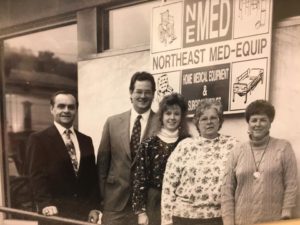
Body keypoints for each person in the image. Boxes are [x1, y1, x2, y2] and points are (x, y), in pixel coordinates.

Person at [161, 98, 238, 225]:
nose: (209, 122)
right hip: (184, 218)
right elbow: (169, 185)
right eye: (204, 119)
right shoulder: (185, 146)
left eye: (213, 118)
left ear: (220, 121)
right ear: (197, 122)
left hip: (219, 217)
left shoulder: (233, 145)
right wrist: (167, 220)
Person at [25, 90, 99, 221]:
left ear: (76, 110)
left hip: (82, 215)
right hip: (54, 214)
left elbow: (92, 177)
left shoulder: (86, 140)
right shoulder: (38, 139)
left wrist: (94, 207)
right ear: (52, 109)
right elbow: (36, 176)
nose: (66, 110)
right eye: (61, 106)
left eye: (71, 107)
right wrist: (45, 204)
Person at [221, 99, 298, 225]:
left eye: (263, 120)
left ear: (270, 123)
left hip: (274, 220)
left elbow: (291, 183)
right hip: (242, 221)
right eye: (254, 120)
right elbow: (227, 190)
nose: (258, 124)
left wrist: (286, 213)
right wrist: (228, 222)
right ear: (248, 123)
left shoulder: (283, 147)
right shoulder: (237, 151)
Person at [97, 71, 159, 225]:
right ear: (131, 93)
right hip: (114, 203)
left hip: (147, 206)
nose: (143, 96)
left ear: (153, 94)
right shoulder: (112, 123)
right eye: (138, 91)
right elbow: (102, 164)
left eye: (147, 92)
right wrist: (103, 197)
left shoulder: (161, 124)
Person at [132, 93, 189, 225]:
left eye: (176, 113)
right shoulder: (148, 144)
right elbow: (139, 179)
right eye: (168, 113)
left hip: (180, 202)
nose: (172, 117)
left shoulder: (188, 143)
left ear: (182, 117)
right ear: (161, 116)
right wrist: (141, 212)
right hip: (155, 201)